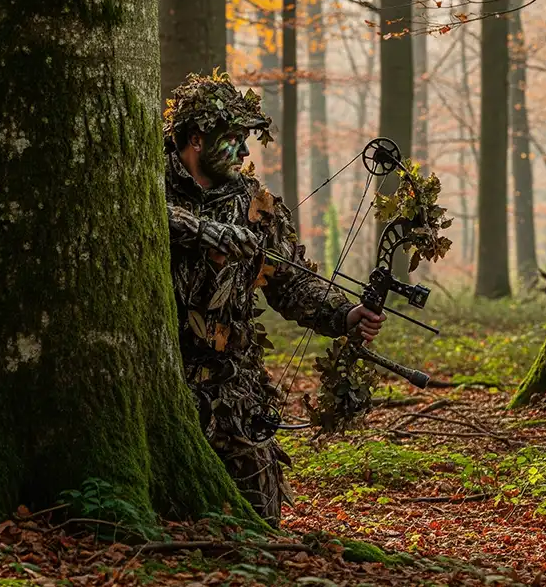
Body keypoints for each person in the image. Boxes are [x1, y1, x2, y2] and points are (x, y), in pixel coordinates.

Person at [162, 70, 385, 525]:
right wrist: (206, 233)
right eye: (235, 139)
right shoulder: (146, 186)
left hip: (230, 378)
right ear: (198, 140)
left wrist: (344, 314)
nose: (246, 152)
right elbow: (151, 215)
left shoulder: (255, 203)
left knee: (260, 514)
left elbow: (290, 282)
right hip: (161, 369)